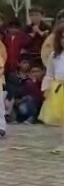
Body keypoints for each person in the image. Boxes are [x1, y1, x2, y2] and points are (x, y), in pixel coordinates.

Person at [40, 25, 64, 154]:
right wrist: (46, 89)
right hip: (59, 90)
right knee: (62, 120)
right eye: (62, 37)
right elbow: (49, 74)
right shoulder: (54, 56)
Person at [5, 57, 30, 123]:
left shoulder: (30, 76)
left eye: (27, 63)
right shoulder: (12, 76)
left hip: (24, 99)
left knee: (23, 109)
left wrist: (22, 99)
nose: (26, 65)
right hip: (12, 98)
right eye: (24, 62)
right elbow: (9, 88)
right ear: (18, 64)